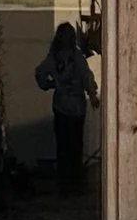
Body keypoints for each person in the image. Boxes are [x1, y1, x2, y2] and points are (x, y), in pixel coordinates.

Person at [35, 22, 101, 195]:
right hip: (73, 107)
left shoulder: (57, 57)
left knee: (66, 146)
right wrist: (92, 94)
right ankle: (72, 183)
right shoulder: (73, 56)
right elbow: (87, 76)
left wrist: (49, 84)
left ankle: (67, 184)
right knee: (73, 146)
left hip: (65, 106)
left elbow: (40, 73)